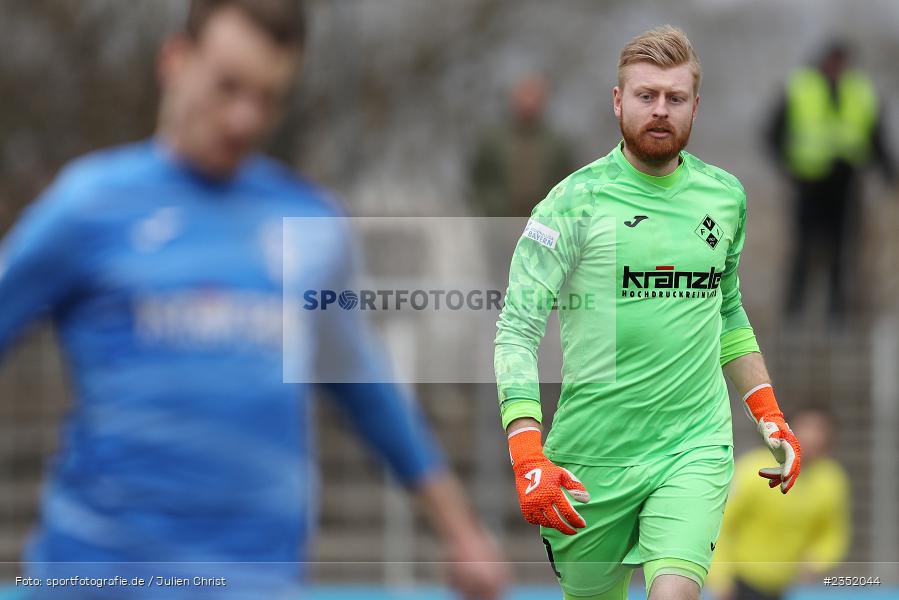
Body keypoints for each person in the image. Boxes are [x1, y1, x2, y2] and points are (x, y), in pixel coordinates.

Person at [0, 1, 506, 598]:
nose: (243, 118)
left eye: (268, 98)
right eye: (228, 87)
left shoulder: (309, 221)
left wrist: (461, 531)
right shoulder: (89, 203)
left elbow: (365, 387)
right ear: (175, 61)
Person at [494, 26, 802, 600]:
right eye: (645, 96)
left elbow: (727, 311)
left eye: (675, 97)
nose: (660, 110)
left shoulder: (725, 196)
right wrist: (526, 451)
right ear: (618, 101)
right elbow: (517, 328)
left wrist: (768, 413)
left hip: (694, 445)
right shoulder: (570, 204)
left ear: (694, 106)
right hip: (590, 462)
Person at [767, 40, 895, 319]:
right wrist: (787, 165)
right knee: (804, 248)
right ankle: (795, 314)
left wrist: (888, 172)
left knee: (841, 251)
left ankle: (836, 316)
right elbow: (774, 132)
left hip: (846, 184)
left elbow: (875, 136)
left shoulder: (860, 91)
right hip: (809, 182)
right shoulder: (801, 87)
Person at [707, 409, 850, 600]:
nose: (812, 437)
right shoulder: (753, 470)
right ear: (787, 431)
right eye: (806, 428)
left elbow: (832, 532)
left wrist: (818, 560)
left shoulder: (830, 480)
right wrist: (720, 578)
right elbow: (719, 523)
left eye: (820, 431)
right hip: (739, 581)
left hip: (782, 585)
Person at [470, 75, 575, 219]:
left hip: (544, 219)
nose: (529, 104)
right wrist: (493, 204)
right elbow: (479, 179)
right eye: (524, 97)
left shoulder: (556, 145)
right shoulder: (494, 141)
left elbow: (569, 181)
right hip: (502, 219)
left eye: (534, 98)